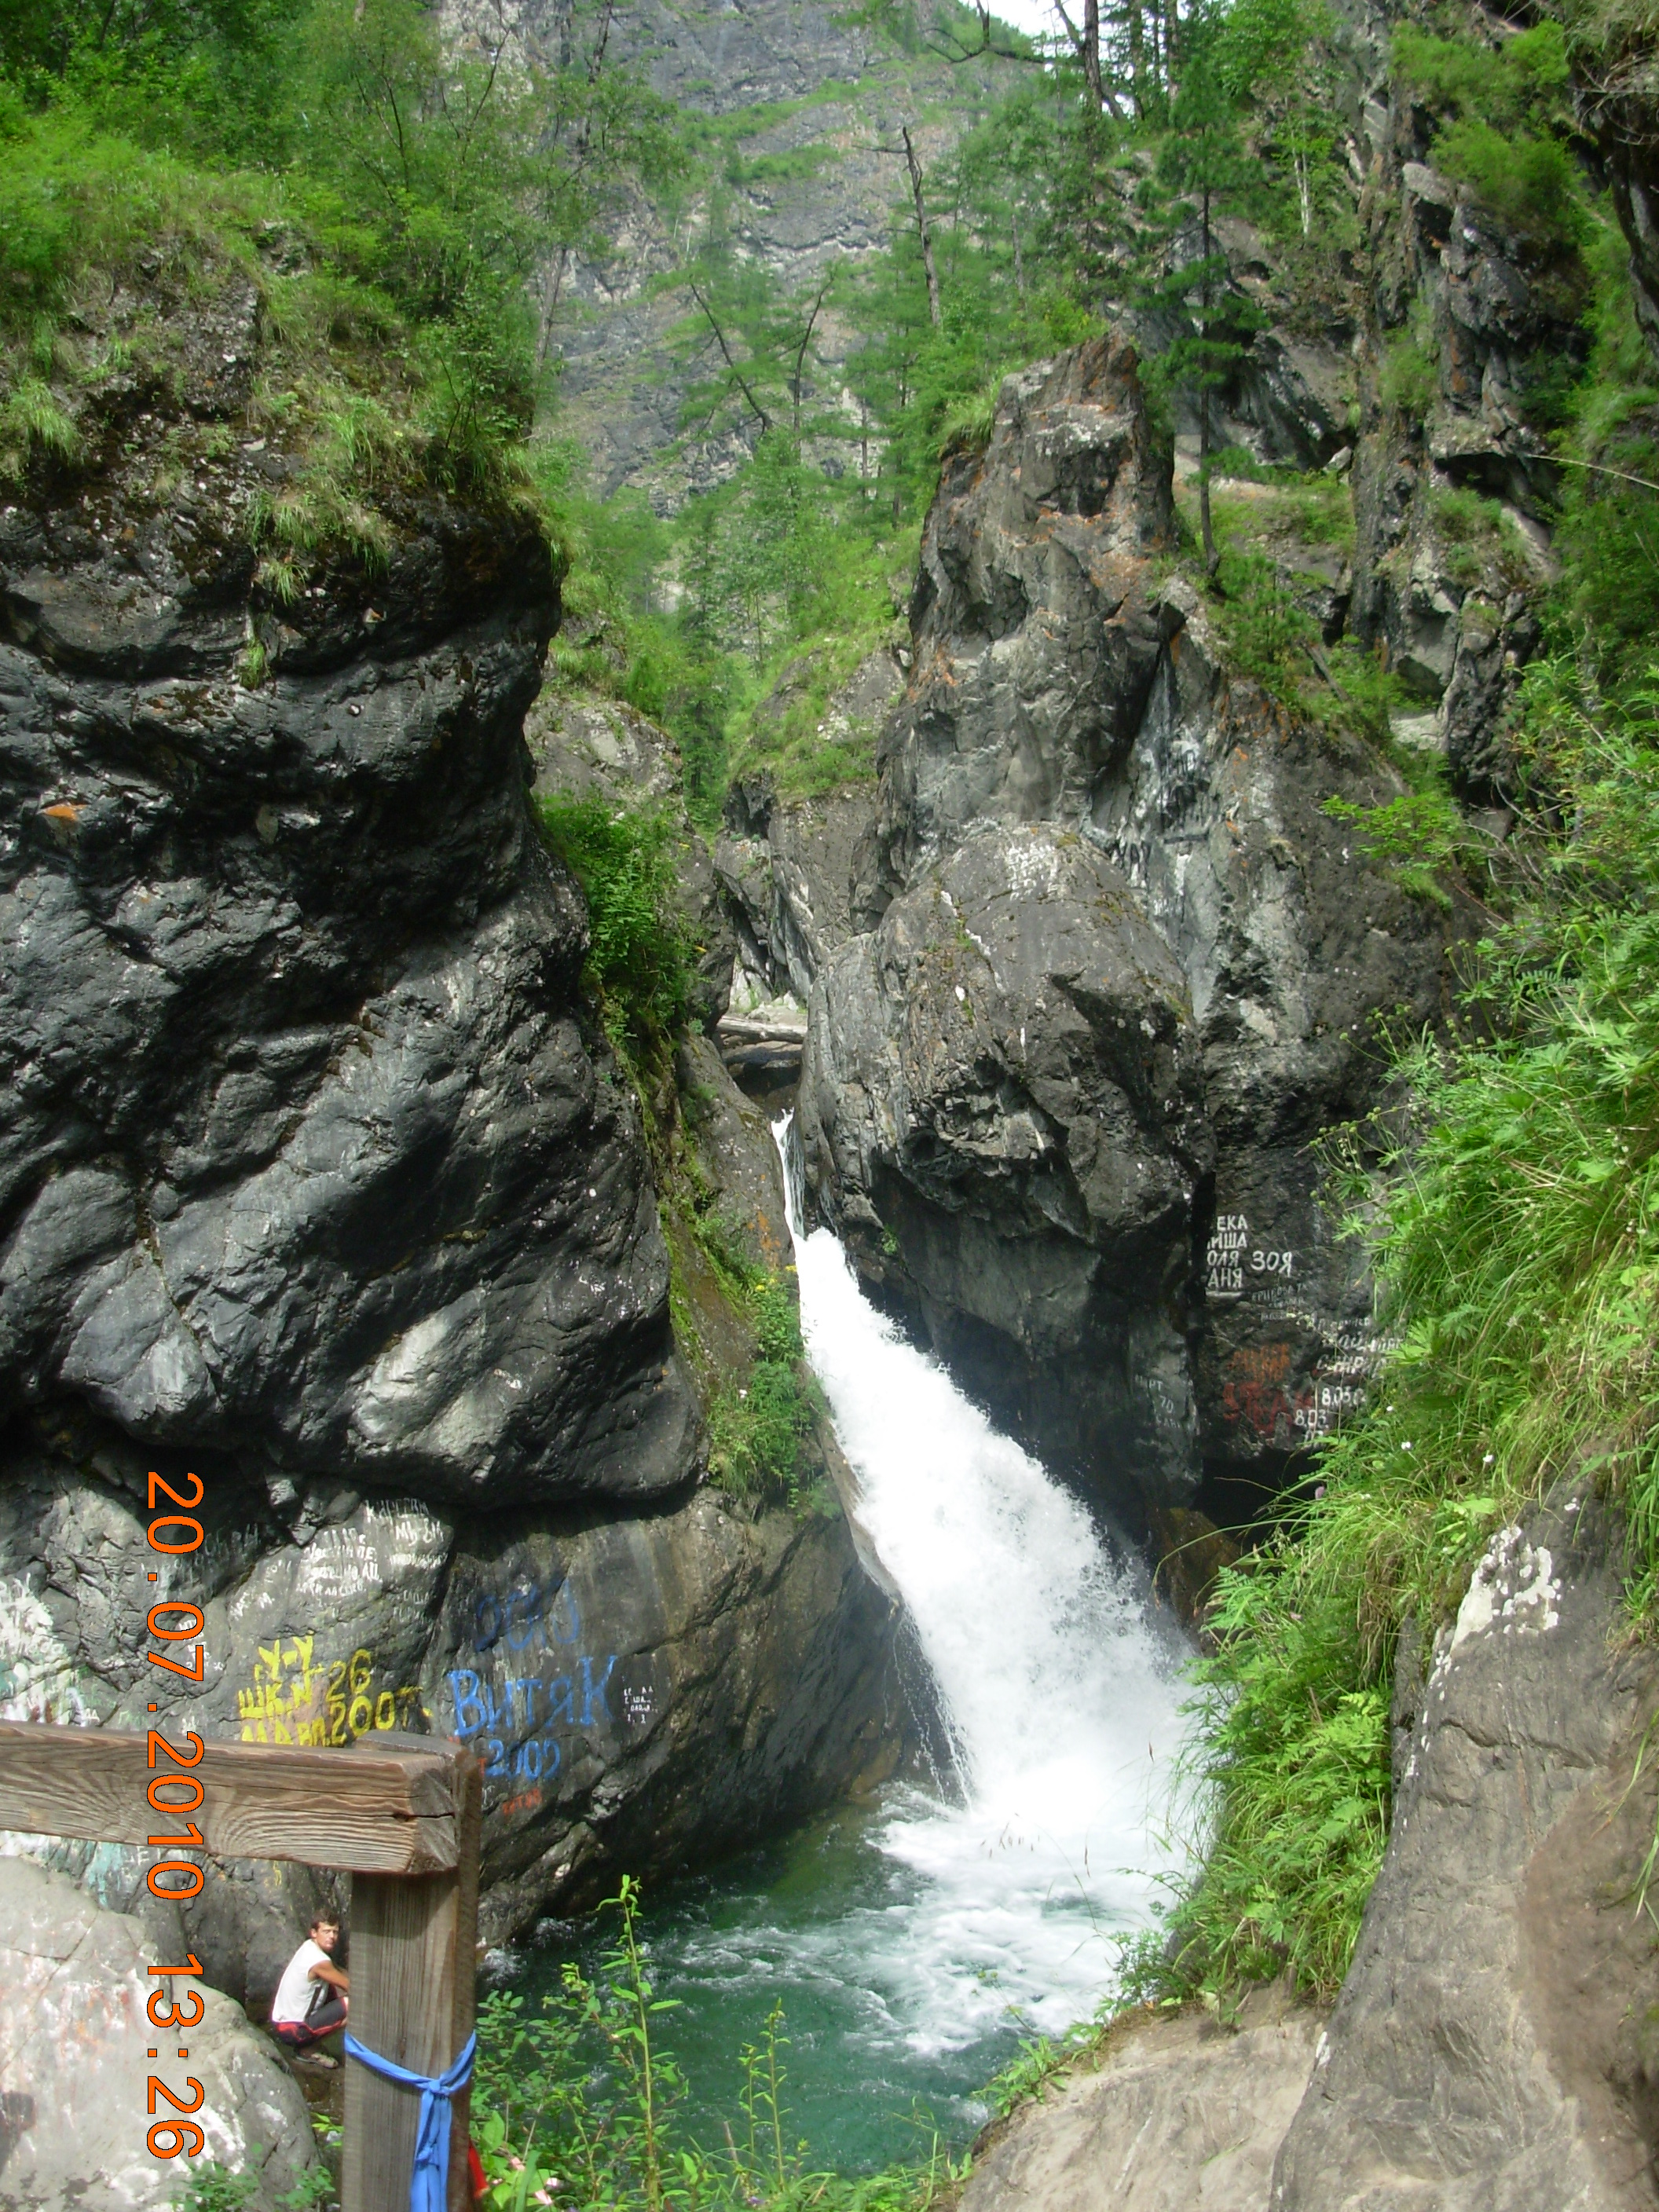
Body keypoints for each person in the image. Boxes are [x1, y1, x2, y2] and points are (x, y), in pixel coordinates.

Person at [269, 1914, 350, 2066]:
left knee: (331, 1991)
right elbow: (349, 1986)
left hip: (282, 2025)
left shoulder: (308, 1947)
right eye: (326, 1932)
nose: (332, 1937)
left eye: (335, 1932)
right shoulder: (319, 1961)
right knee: (352, 2004)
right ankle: (307, 2049)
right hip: (294, 2030)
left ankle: (308, 2045)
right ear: (314, 1933)